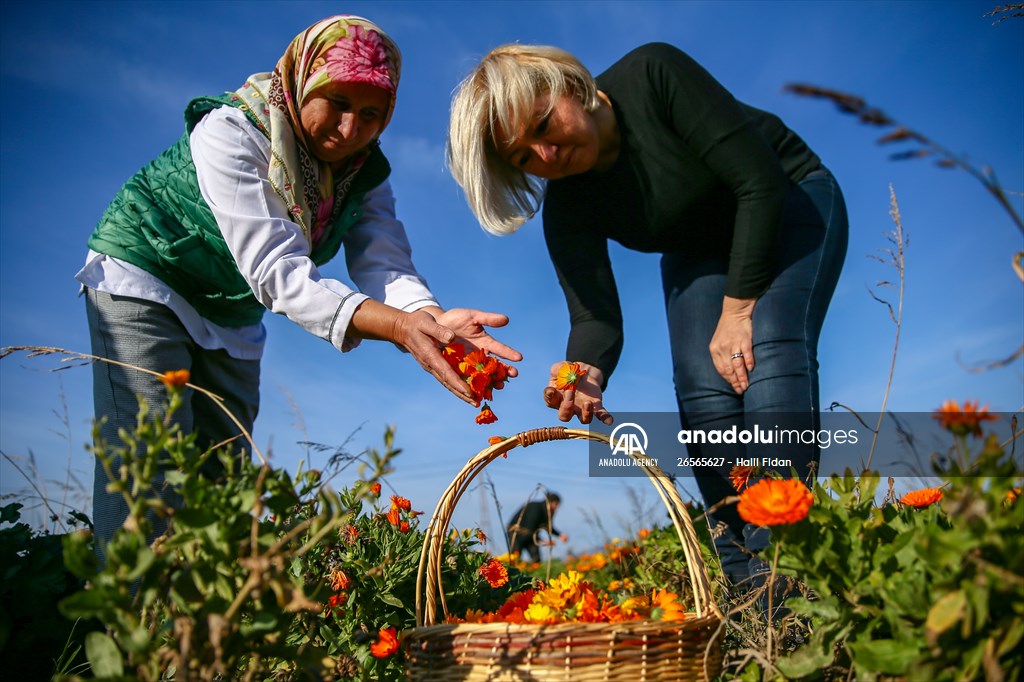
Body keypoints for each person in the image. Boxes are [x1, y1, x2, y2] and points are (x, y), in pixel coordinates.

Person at [77, 16, 520, 560]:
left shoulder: (364, 171)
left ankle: (203, 634)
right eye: (336, 101)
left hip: (231, 307)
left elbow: (383, 260)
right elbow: (275, 269)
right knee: (150, 461)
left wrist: (427, 316)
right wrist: (401, 330)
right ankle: (130, 629)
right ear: (304, 80)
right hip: (148, 273)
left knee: (224, 475)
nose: (351, 127)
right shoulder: (233, 130)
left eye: (372, 114)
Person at [447, 43, 847, 585]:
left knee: (766, 349)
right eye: (523, 157)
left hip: (786, 196)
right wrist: (583, 369)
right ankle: (747, 591)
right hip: (699, 249)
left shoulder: (653, 75)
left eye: (543, 124)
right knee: (704, 394)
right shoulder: (567, 206)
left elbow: (758, 183)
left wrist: (737, 310)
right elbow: (594, 317)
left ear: (569, 84)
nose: (546, 156)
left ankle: (790, 571)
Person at [506, 492, 566, 562]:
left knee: (536, 560)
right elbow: (530, 528)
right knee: (515, 558)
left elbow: (547, 526)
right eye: (556, 504)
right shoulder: (536, 508)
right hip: (516, 533)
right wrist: (544, 541)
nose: (556, 508)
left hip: (531, 536)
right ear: (550, 502)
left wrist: (559, 535)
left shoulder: (546, 511)